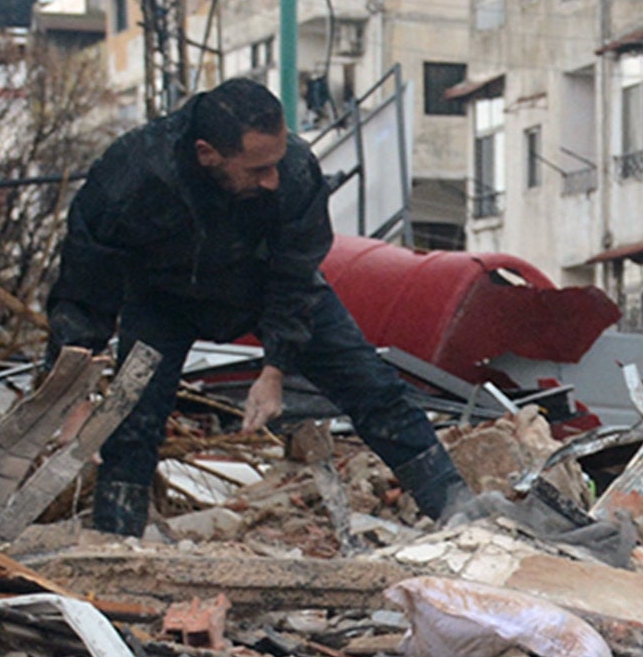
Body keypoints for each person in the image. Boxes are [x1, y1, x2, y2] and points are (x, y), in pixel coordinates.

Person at [48, 77, 478, 537]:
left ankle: (460, 514)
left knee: (374, 389)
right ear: (207, 153)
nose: (271, 179)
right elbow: (84, 282)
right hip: (162, 299)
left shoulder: (293, 170)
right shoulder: (132, 173)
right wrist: (69, 393)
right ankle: (115, 546)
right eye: (256, 170)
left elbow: (297, 273)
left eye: (276, 163)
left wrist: (275, 370)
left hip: (268, 287)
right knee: (131, 422)